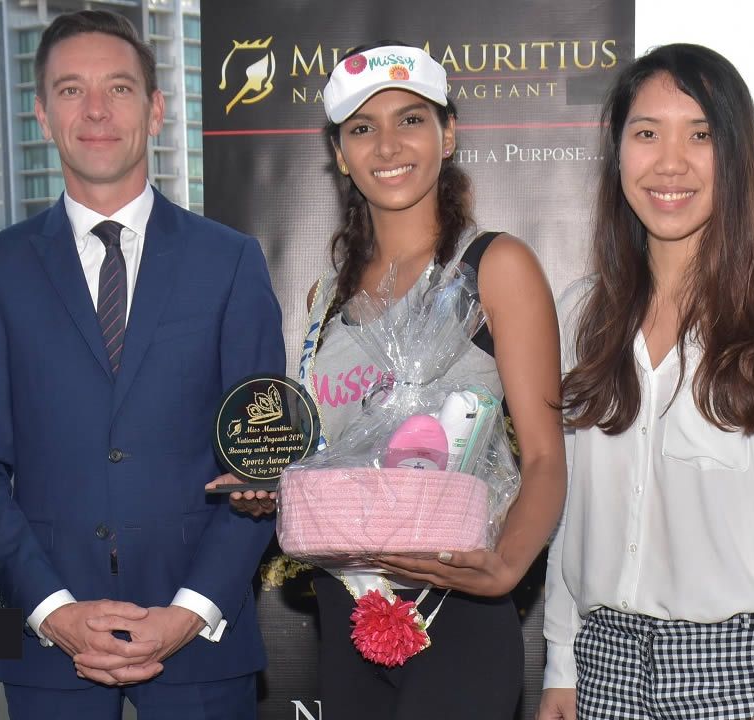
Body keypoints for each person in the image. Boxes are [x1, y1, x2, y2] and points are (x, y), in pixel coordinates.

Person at [0, 10, 284, 720]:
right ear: (41, 114)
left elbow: (261, 461)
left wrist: (189, 612)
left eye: (119, 89)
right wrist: (54, 612)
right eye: (71, 90)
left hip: (202, 651)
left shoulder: (230, 262)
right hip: (48, 654)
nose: (95, 110)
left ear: (157, 109)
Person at [217, 42, 566, 718]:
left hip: (457, 610)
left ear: (448, 133)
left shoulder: (494, 267)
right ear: (340, 152)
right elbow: (333, 457)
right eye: (362, 128)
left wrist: (506, 566)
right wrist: (276, 487)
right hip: (349, 613)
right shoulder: (326, 299)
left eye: (410, 120)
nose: (387, 145)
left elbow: (548, 458)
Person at [538, 44, 754, 720]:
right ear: (618, 151)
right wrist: (561, 665)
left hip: (739, 678)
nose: (670, 162)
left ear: (737, 157)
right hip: (602, 670)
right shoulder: (579, 316)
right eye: (646, 133)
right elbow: (570, 508)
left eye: (701, 135)